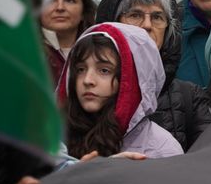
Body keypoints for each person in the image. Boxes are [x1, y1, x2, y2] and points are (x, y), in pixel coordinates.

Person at [95, 0, 211, 150]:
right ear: (114, 22)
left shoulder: (190, 96)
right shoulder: (91, 89)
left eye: (158, 17)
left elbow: (210, 157)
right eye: (135, 14)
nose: (147, 25)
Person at [60, 23, 183, 159]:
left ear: (130, 81)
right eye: (80, 69)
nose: (88, 80)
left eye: (104, 70)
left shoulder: (162, 149)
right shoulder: (54, 140)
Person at [41, 0, 96, 86]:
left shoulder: (101, 51)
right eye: (51, 0)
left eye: (69, 0)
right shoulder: (27, 52)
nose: (60, 7)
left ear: (83, 11)